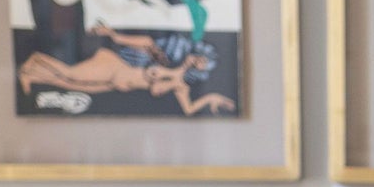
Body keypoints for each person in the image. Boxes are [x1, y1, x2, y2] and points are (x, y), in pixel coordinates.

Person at [17, 24, 236, 115]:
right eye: (198, 58)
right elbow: (146, 42)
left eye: (201, 64)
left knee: (71, 85)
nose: (196, 62)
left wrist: (212, 98)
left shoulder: (181, 85)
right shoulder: (167, 57)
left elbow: (188, 110)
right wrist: (113, 35)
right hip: (115, 68)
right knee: (70, 73)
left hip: (117, 85)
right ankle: (35, 60)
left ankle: (31, 76)